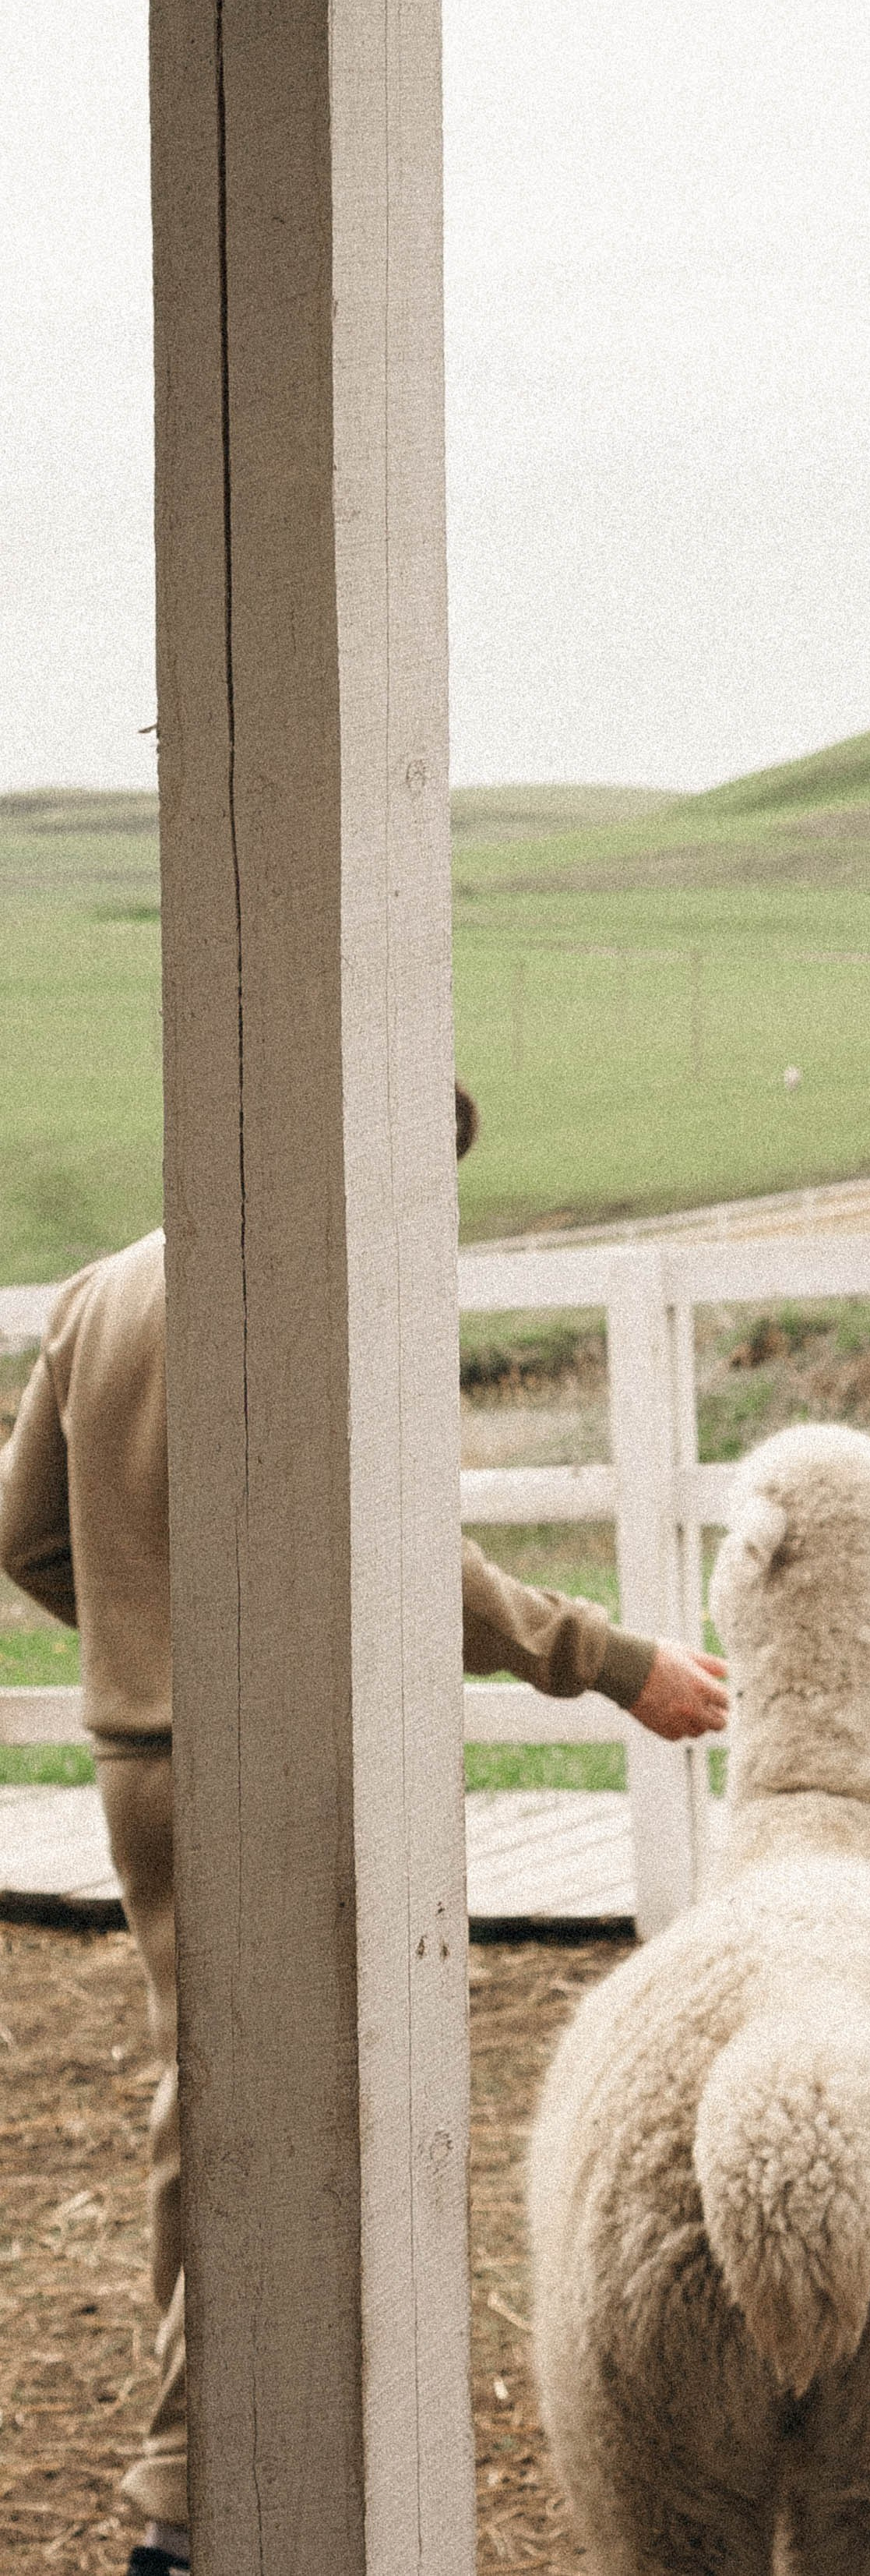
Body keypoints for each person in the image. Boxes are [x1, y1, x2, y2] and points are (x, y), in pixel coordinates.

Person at [0, 1086, 726, 2576]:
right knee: (256, 2105)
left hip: (146, 1762)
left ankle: (259, 2459)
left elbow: (24, 1536)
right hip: (263, 1758)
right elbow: (398, 1542)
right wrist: (605, 1660)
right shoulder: (301, 1298)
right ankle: (196, 2496)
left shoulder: (103, 1290)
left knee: (213, 2089)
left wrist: (152, 1644)